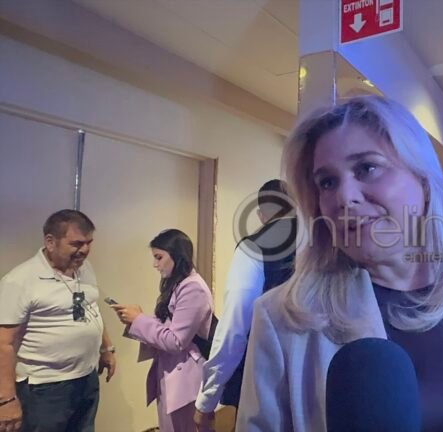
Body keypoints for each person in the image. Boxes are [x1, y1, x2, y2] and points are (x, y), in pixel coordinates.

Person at [236, 95, 443, 431]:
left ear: (423, 180)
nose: (344, 197)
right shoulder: (282, 319)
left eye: (367, 168)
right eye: (327, 182)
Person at [194, 179, 297, 431]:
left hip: (267, 381)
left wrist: (207, 399)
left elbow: (235, 327)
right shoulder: (327, 240)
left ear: (261, 215)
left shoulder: (255, 247)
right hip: (325, 378)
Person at [0, 209, 116, 432]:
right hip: (44, 389)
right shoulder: (20, 280)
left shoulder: (84, 268)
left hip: (86, 380)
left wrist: (106, 348)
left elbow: (90, 308)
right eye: (77, 244)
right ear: (50, 242)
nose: (85, 250)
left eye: (89, 243)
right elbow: (3, 343)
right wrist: (6, 399)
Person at [111, 229, 213, 432]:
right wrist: (136, 319)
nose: (155, 264)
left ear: (176, 255)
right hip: (173, 371)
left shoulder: (193, 287)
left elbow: (176, 340)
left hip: (186, 377)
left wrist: (138, 320)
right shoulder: (179, 284)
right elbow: (169, 327)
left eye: (159, 257)